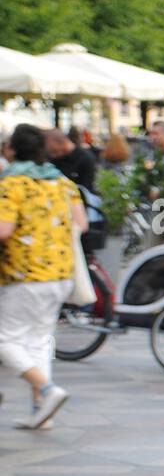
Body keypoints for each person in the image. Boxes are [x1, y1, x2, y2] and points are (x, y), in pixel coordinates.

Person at [0, 124, 87, 429]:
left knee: (5, 340)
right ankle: (43, 409)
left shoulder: (12, 185)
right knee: (38, 341)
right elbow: (82, 223)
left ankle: (48, 390)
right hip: (61, 272)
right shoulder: (60, 182)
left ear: (11, 149)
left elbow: (4, 230)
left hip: (25, 273)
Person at [44, 130, 98, 194]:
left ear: (62, 142)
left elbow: (87, 188)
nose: (52, 155)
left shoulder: (85, 158)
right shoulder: (53, 158)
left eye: (53, 151)